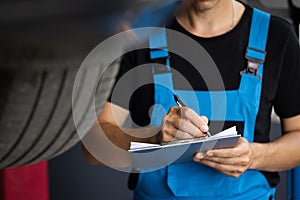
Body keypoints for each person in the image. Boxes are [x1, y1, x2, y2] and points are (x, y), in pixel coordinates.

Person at [83, 0, 300, 199]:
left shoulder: (276, 36)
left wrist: (254, 156)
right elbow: (94, 147)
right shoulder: (139, 36)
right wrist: (153, 139)